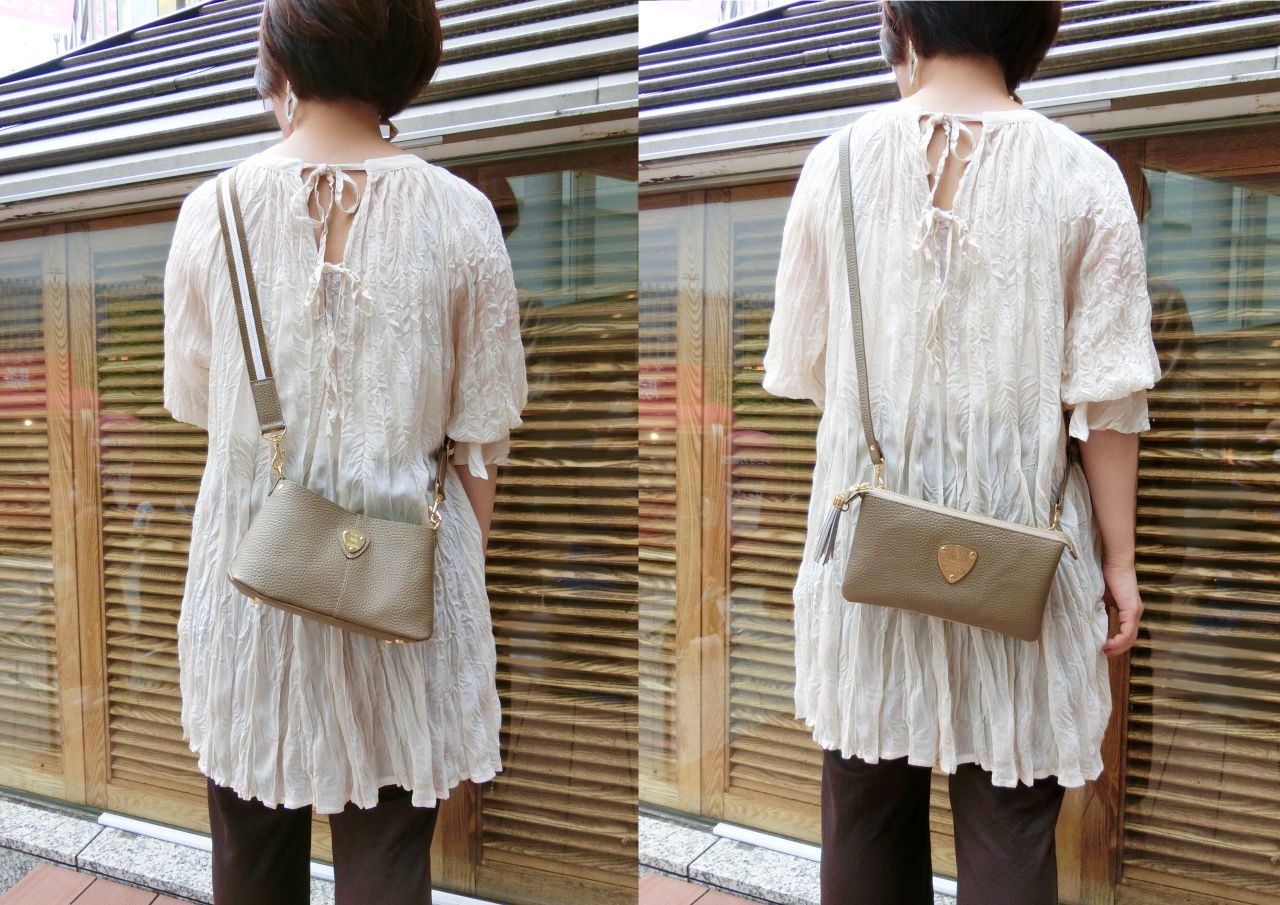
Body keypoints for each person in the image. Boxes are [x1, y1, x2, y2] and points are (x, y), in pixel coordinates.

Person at [761, 3, 1160, 904]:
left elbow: (812, 370)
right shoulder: (1085, 176)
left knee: (864, 817)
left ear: (904, 17)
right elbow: (1107, 405)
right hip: (1024, 562)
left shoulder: (837, 163)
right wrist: (1120, 562)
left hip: (872, 559)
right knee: (1011, 826)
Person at [160, 1, 528, 902]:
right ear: (410, 56)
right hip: (404, 588)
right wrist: (446, 571)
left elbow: (198, 404)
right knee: (389, 858)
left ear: (281, 53)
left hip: (252, 585)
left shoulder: (213, 210)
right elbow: (482, 439)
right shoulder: (463, 215)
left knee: (250, 854)